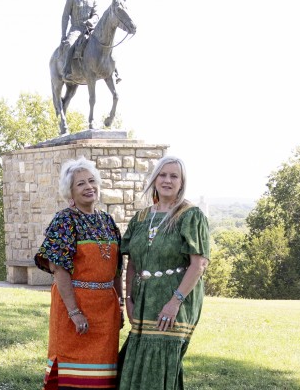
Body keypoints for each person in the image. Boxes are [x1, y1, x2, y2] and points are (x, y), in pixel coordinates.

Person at [117, 155, 210, 390]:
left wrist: (174, 302)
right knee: (135, 359)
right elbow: (133, 263)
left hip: (175, 299)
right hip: (144, 299)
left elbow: (198, 264)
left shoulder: (190, 216)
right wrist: (128, 299)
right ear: (155, 178)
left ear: (181, 182)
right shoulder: (140, 218)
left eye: (174, 176)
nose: (167, 180)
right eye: (163, 174)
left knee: (161, 362)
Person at [34, 156, 124, 389]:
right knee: (72, 377)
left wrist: (120, 305)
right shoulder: (65, 220)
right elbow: (59, 269)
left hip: (106, 313)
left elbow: (116, 270)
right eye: (80, 183)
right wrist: (75, 312)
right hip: (74, 309)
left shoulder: (107, 221)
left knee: (102, 379)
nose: (88, 187)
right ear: (70, 192)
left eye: (91, 181)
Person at [61, 0, 99, 82]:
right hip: (76, 28)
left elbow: (96, 15)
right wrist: (63, 35)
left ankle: (113, 70)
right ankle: (66, 71)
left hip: (89, 29)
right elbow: (65, 16)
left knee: (102, 41)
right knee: (70, 44)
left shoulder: (93, 0)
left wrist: (91, 20)